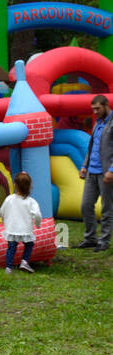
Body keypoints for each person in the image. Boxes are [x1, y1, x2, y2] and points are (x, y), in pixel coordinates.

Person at [79, 94, 113, 250]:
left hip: (107, 174)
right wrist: (84, 165)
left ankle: (104, 241)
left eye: (98, 108)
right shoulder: (97, 123)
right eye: (93, 109)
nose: (95, 112)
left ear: (106, 105)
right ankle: (90, 238)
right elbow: (91, 147)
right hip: (91, 172)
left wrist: (111, 170)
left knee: (107, 208)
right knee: (86, 205)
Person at [0, 171, 43, 273]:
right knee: (29, 244)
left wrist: (4, 222)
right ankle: (24, 261)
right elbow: (37, 215)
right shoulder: (31, 201)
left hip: (11, 228)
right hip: (25, 229)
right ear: (29, 186)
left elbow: (2, 211)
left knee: (11, 248)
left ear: (15, 185)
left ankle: (8, 268)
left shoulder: (9, 199)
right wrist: (38, 224)